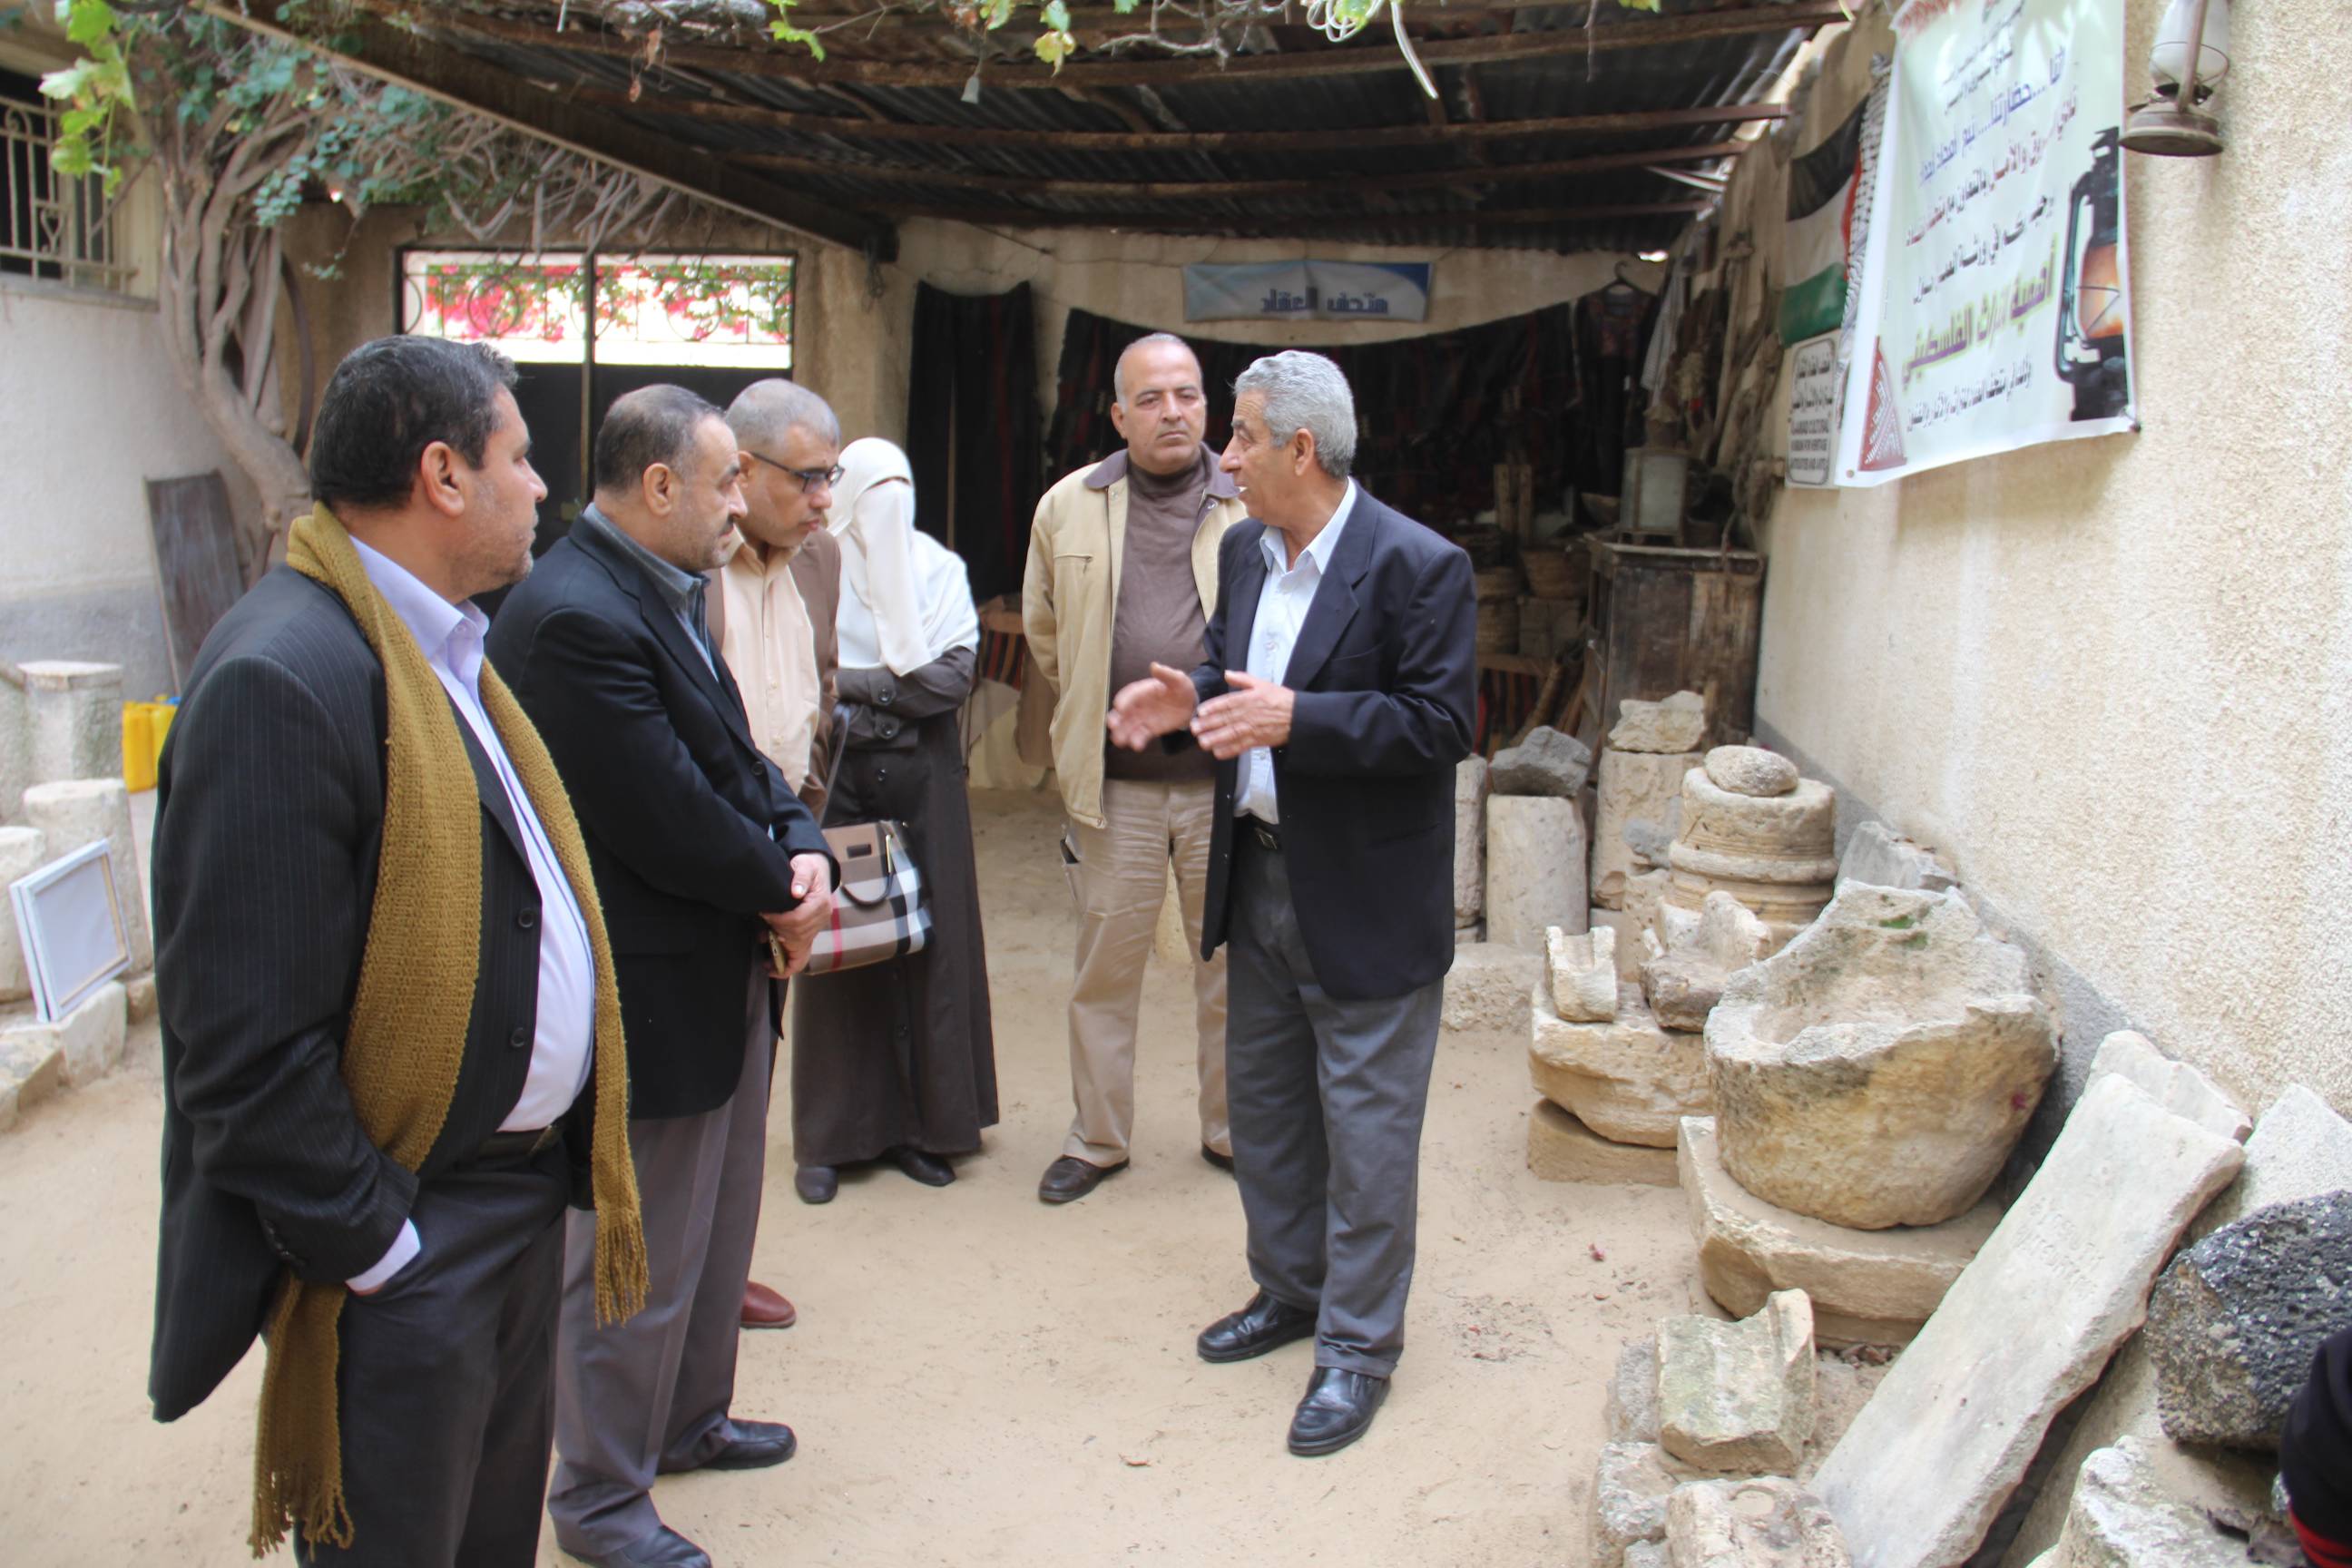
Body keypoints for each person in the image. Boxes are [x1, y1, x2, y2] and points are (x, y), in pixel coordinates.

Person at [146, 335, 646, 1564]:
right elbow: (240, 1051)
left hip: (504, 1210)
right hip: (415, 1241)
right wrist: (384, 1253)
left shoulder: (434, 646)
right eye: (520, 458)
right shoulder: (287, 673)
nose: (542, 486)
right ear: (444, 475)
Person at [486, 386, 835, 1568]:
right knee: (631, 1256)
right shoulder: (575, 614)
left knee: (713, 1230)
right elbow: (667, 813)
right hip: (645, 991)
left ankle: (689, 1420)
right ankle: (598, 1500)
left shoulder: (662, 588)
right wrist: (782, 887)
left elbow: (740, 760)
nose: (744, 503)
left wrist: (801, 846)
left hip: (718, 959)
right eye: (729, 480)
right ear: (660, 486)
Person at [1106, 350, 1475, 1458]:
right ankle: (1291, 1290)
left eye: (1242, 437)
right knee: (1266, 1112)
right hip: (1261, 873)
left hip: (1366, 896)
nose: (1225, 458)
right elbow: (1239, 676)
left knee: (1367, 1135)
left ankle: (1357, 1349)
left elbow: (1440, 725)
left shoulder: (1420, 565)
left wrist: (1297, 721)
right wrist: (1194, 699)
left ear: (1301, 450)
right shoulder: (1245, 551)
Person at [1023, 332, 1248, 1204]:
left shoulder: (1249, 501)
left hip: (1225, 786)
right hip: (1114, 790)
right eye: (1150, 399)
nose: (1172, 413)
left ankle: (1232, 1132)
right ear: (1119, 416)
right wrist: (1095, 702)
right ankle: (1098, 1139)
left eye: (1186, 394)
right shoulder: (1067, 505)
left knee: (1231, 969)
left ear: (1208, 406)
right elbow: (1047, 631)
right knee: (1105, 973)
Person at [788, 436, 999, 1204]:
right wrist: (881, 691)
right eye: (874, 498)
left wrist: (854, 687)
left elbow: (949, 680)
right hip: (840, 777)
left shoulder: (938, 569)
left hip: (924, 783)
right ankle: (831, 1139)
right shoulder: (810, 569)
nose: (887, 515)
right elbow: (805, 676)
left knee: (928, 948)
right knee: (840, 944)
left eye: (899, 497)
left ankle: (924, 1128)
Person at [711, 377, 848, 1333]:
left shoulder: (820, 558)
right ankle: (664, 1275)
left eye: (831, 477)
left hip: (784, 850)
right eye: (805, 479)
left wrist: (804, 836)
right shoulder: (686, 559)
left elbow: (822, 693)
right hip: (698, 848)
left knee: (755, 1070)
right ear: (741, 468)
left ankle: (722, 1268)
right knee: (688, 1082)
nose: (822, 500)